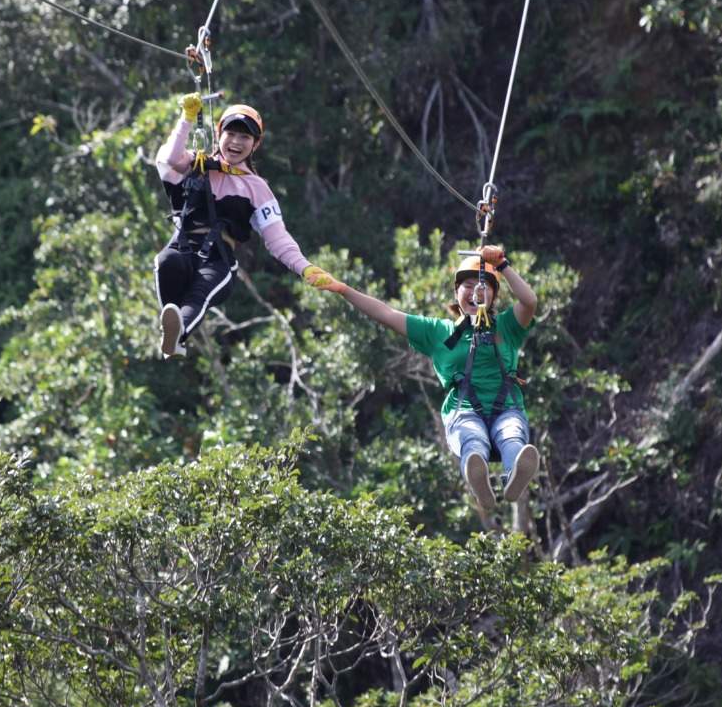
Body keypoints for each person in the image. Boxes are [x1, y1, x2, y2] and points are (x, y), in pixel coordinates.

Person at [303, 247, 540, 523]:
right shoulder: (438, 332)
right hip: (465, 410)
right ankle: (479, 479)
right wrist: (343, 290)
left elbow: (529, 301)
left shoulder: (507, 327)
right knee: (471, 436)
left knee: (511, 434)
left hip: (506, 408)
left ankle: (514, 476)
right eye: (468, 285)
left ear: (493, 296)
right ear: (456, 294)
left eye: (483, 286)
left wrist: (502, 265)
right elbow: (386, 314)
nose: (475, 291)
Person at [150, 93, 331, 357]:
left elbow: (278, 239)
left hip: (217, 260)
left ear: (255, 144)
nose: (236, 142)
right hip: (182, 246)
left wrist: (306, 268)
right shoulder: (197, 164)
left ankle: (178, 335)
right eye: (231, 134)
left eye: (245, 137)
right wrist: (186, 119)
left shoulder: (257, 188)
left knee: (200, 292)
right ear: (219, 134)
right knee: (166, 262)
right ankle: (172, 328)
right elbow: (168, 158)